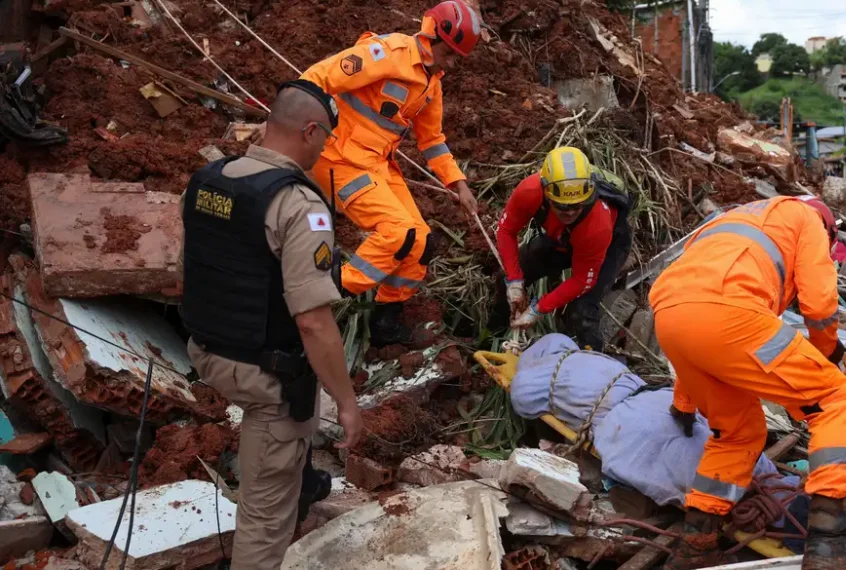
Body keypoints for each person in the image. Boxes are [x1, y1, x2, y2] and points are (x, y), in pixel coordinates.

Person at [180, 81, 364, 570]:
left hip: (207, 348)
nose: (325, 148)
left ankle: (299, 481)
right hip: (264, 373)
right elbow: (313, 323)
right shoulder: (298, 206)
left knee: (290, 447)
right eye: (325, 138)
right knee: (264, 518)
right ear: (309, 130)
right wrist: (346, 403)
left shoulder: (210, 179)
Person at [649, 196, 846, 570]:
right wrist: (827, 357)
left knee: (737, 433)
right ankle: (830, 540)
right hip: (733, 313)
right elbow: (819, 307)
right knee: (839, 401)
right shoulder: (808, 219)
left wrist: (684, 404)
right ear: (829, 228)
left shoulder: (730, 221)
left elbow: (695, 315)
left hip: (669, 315)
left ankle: (696, 542)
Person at [299, 1, 482, 345]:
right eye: (452, 54)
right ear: (434, 37)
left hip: (377, 164)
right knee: (398, 234)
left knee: (420, 242)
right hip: (340, 157)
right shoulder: (387, 53)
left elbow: (433, 141)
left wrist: (458, 184)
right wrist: (293, 125)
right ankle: (318, 292)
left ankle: (386, 322)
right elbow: (318, 77)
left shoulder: (432, 84)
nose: (454, 64)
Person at [492, 147, 633, 350]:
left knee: (582, 313)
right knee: (503, 280)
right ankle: (491, 338)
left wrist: (537, 309)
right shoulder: (529, 192)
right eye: (562, 206)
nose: (570, 212)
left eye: (578, 205)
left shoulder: (597, 224)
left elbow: (583, 279)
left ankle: (591, 365)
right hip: (561, 240)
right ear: (547, 195)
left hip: (606, 246)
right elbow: (506, 230)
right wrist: (514, 281)